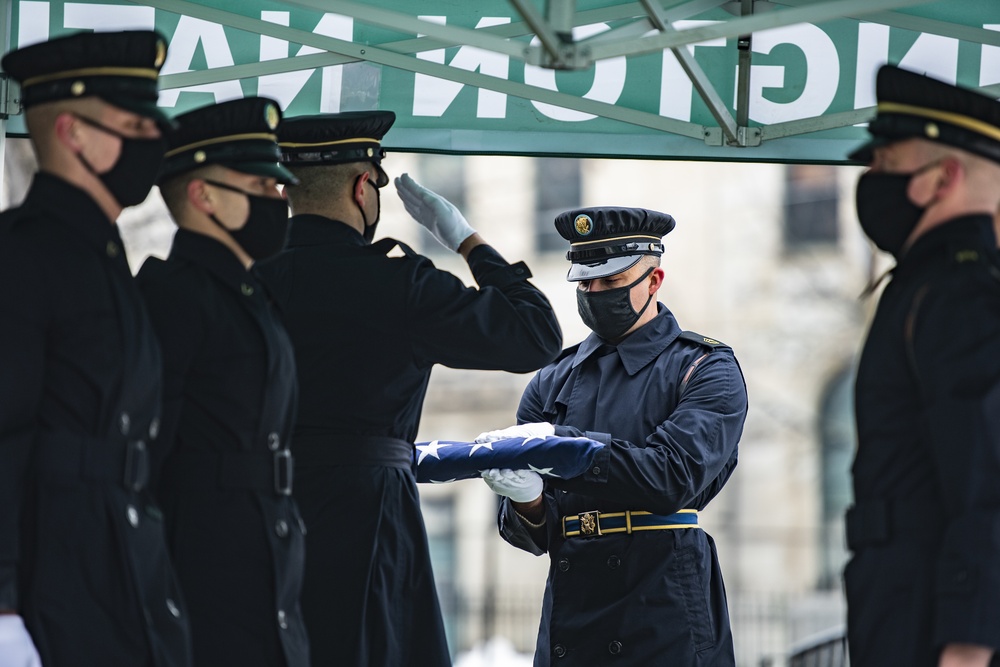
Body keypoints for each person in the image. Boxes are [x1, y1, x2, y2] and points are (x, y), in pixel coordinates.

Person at [254, 111, 563, 667]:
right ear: (362, 187)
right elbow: (535, 335)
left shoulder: (247, 278)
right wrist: (467, 241)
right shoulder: (398, 282)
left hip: (260, 511)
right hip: (369, 513)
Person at [478, 206, 748, 666]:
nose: (595, 293)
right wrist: (524, 499)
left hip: (660, 601)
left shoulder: (703, 367)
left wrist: (562, 447)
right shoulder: (552, 379)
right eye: (585, 282)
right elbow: (528, 534)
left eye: (610, 281)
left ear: (654, 280)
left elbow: (673, 476)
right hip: (572, 601)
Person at [0, 30, 192, 666]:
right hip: (53, 576)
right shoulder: (25, 253)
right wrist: (2, 608)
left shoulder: (104, 257)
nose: (154, 137)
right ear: (72, 133)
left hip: (121, 562)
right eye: (133, 122)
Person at [136, 97, 309, 667]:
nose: (277, 200)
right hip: (202, 556)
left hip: (265, 549)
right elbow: (146, 452)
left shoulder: (251, 295)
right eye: (260, 187)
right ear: (203, 195)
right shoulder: (173, 296)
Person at [845, 66, 1000, 667]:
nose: (871, 177)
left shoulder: (960, 294)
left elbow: (990, 483)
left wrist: (967, 647)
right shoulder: (929, 285)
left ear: (943, 178)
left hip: (933, 628)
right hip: (906, 611)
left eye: (887, 162)